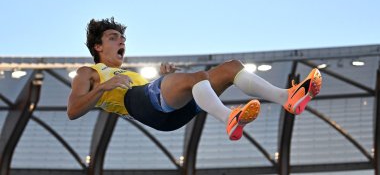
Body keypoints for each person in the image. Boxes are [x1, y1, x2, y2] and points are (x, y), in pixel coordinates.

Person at [67, 18, 322, 141]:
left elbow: (155, 91)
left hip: (169, 111)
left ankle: (287, 97)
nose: (121, 41)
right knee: (197, 77)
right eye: (113, 37)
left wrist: (166, 79)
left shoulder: (129, 73)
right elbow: (73, 110)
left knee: (231, 68)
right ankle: (228, 118)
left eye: (122, 39)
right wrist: (103, 87)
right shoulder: (88, 73)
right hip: (142, 106)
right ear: (97, 47)